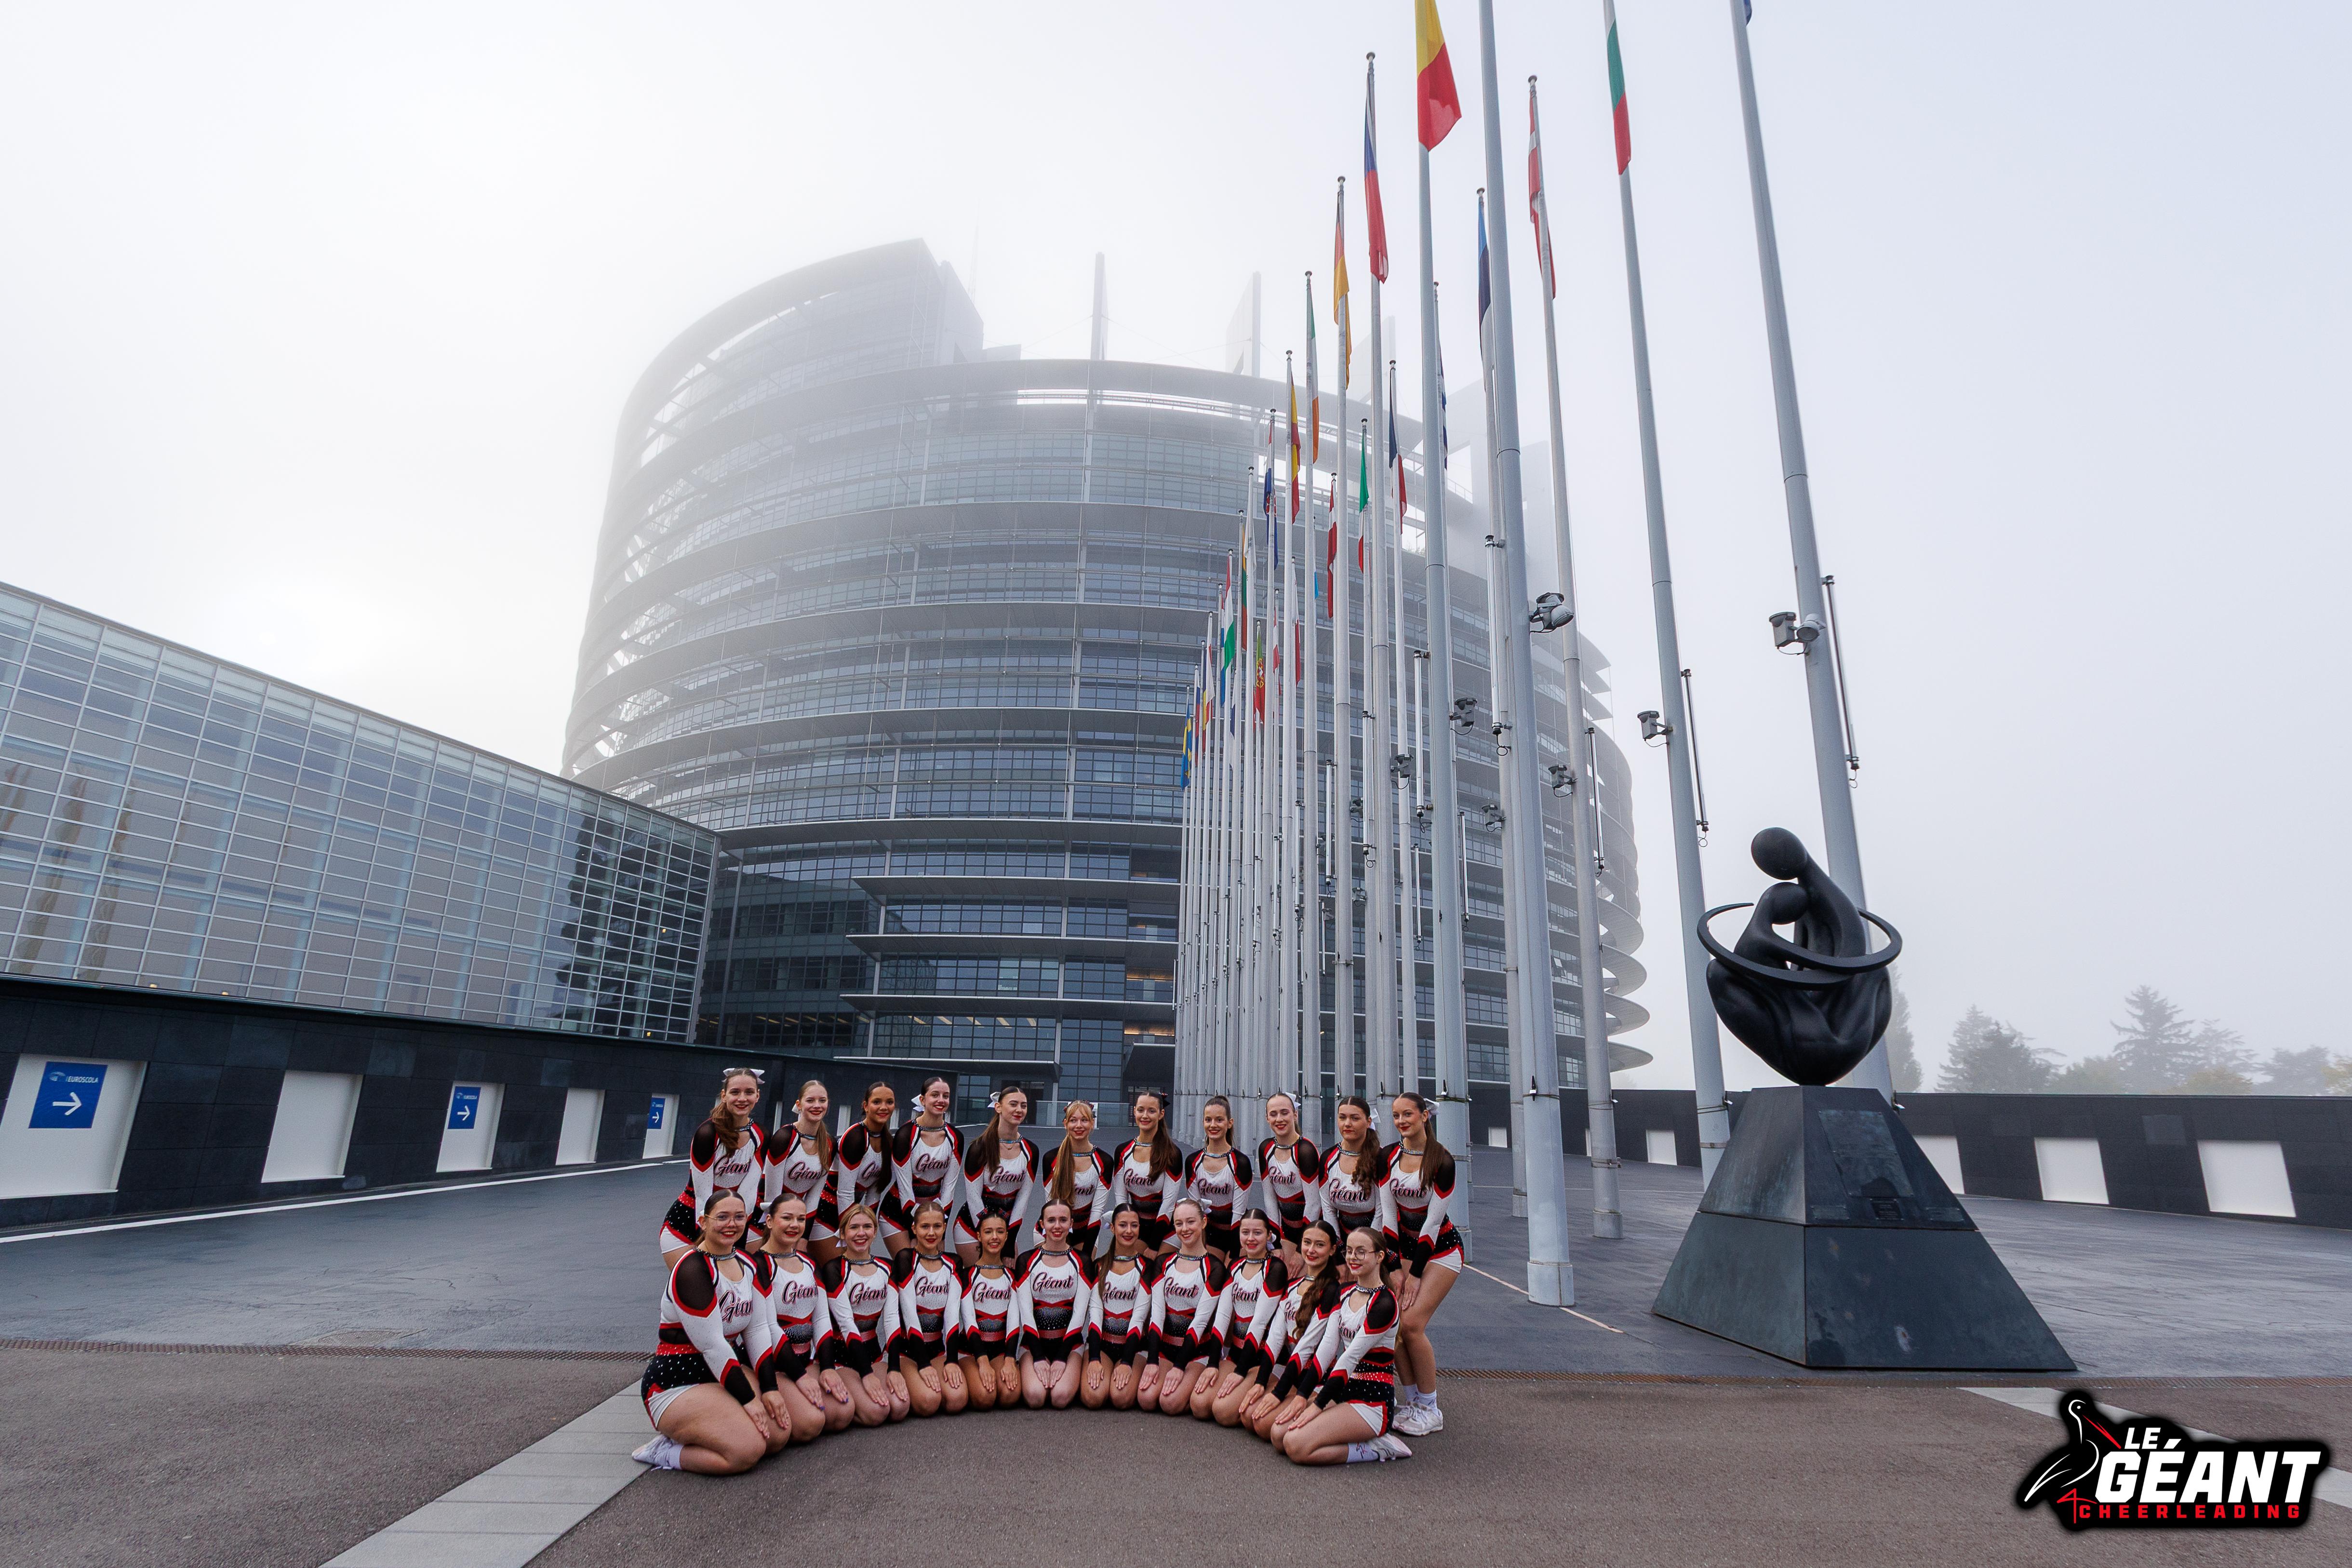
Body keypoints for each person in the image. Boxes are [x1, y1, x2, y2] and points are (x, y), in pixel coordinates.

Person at [631, 1192, 787, 1474]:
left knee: (777, 1436)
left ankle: (705, 1430)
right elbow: (713, 1345)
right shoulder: (691, 1268)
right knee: (746, 1450)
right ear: (703, 1222)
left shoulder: (747, 1263)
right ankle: (665, 1451)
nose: (731, 1224)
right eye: (722, 1217)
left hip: (719, 1374)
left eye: (739, 1217)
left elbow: (758, 1330)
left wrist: (770, 1389)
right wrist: (750, 1401)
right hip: (676, 1383)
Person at [1279, 1226, 1411, 1465]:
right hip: (1345, 1391)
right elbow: (1326, 1350)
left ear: (1379, 1257)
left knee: (1296, 1446)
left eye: (1361, 1252)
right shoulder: (1345, 1292)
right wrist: (1302, 1395)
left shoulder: (1384, 1303)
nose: (1353, 1257)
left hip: (1372, 1402)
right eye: (1350, 1251)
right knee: (1279, 1435)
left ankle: (1377, 1448)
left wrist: (1317, 1405)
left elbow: (1349, 1358)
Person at [1379, 1091, 1462, 1436]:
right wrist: (1395, 1268)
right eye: (1396, 1115)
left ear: (1425, 1116)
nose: (1401, 1121)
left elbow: (1432, 1224)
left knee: (1412, 1324)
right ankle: (1413, 1402)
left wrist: (1413, 1275)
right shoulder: (1387, 1156)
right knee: (1394, 1325)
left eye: (1408, 1114)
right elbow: (1388, 1217)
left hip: (1441, 1251)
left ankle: (1431, 1408)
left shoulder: (1442, 1161)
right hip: (1403, 1251)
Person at [748, 1194, 844, 1439]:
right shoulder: (758, 1264)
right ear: (770, 1221)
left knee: (841, 1414)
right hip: (775, 1365)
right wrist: (800, 1378)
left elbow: (821, 1319)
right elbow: (768, 1327)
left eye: (801, 1219)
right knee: (811, 1423)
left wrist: (828, 1367)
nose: (795, 1225)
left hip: (806, 1361)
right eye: (787, 1218)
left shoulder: (809, 1262)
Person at [659, 1068, 768, 1266]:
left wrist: (736, 1245)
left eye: (749, 1092)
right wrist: (707, 1246)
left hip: (732, 1222)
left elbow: (748, 1192)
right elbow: (703, 1196)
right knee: (699, 1279)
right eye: (735, 1092)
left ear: (757, 1096)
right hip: (690, 1220)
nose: (742, 1098)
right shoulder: (708, 1134)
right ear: (724, 1096)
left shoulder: (761, 1135)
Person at [1247, 1219, 1342, 1446]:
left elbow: (1308, 1346)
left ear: (1332, 1250)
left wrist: (1279, 1393)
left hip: (1317, 1379)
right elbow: (1275, 1338)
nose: (1311, 1250)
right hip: (1293, 1375)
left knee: (1272, 1431)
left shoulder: (1333, 1290)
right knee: (1251, 1418)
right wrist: (1261, 1381)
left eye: (1320, 1245)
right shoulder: (1292, 1286)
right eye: (1307, 1243)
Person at [819, 1204, 909, 1425]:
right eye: (854, 1228)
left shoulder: (887, 1267)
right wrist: (867, 1375)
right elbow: (847, 1324)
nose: (861, 1233)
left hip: (874, 1354)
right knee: (877, 1413)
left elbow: (891, 1320)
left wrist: (894, 1368)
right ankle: (848, 1403)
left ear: (875, 1231)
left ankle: (858, 1397)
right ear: (842, 1234)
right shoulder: (834, 1269)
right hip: (842, 1357)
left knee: (899, 1407)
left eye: (867, 1227)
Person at [1198, 1209, 1288, 1424]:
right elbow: (1222, 1317)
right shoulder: (1235, 1266)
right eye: (1245, 1232)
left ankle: (1262, 1390)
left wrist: (1240, 1373)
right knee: (1200, 1405)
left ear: (1269, 1236)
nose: (1250, 1239)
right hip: (1236, 1354)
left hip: (1263, 1357)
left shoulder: (1276, 1268)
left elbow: (1259, 1324)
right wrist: (1213, 1363)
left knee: (1222, 1412)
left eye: (1258, 1233)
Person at [1145, 1197, 1227, 1415]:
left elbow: (1201, 1321)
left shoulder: (1214, 1268)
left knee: (1170, 1403)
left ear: (1204, 1222)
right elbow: (1157, 1315)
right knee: (1146, 1399)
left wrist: (1180, 1367)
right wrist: (1152, 1360)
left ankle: (1196, 1390)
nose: (1185, 1229)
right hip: (1166, 1348)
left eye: (1191, 1222)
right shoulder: (1163, 1263)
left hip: (1197, 1352)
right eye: (1179, 1223)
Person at [889, 1201, 968, 1417]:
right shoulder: (906, 1258)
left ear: (944, 1227)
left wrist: (952, 1360)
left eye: (937, 1226)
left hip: (937, 1350)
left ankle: (926, 1384)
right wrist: (923, 1364)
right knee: (928, 1402)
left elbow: (952, 1316)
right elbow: (909, 1315)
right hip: (908, 1351)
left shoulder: (953, 1263)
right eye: (925, 1227)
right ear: (914, 1229)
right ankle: (914, 1384)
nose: (931, 1233)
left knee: (957, 1400)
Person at [1012, 1197, 1092, 1409]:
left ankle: (1075, 1371)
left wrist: (1062, 1358)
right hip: (1034, 1344)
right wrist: (1038, 1357)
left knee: (1060, 1398)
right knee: (1035, 1397)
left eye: (1063, 1220)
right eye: (1051, 1220)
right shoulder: (1026, 1261)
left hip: (1070, 1345)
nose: (1057, 1226)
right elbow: (1026, 1313)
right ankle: (1028, 1365)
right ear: (1042, 1224)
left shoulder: (1082, 1261)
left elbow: (1080, 1315)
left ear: (1071, 1224)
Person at [1080, 1205, 1154, 1410]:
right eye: (1123, 1225)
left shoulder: (1147, 1267)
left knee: (1121, 1398)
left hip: (1135, 1347)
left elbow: (1139, 1319)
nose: (1129, 1231)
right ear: (1112, 1228)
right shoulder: (1099, 1266)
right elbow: (1095, 1316)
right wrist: (1094, 1359)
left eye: (1134, 1226)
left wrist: (1127, 1362)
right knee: (1093, 1397)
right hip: (1102, 1346)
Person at [957, 1084, 1037, 1265]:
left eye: (1023, 1106)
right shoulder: (980, 1148)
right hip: (972, 1226)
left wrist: (1009, 1240)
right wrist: (986, 1231)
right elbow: (973, 1197)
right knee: (979, 1278)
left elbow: (1023, 1200)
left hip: (1006, 1229)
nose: (1019, 1110)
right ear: (998, 1107)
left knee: (1009, 1279)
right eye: (1013, 1104)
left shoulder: (1030, 1150)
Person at [885, 1076, 963, 1253]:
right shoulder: (906, 1135)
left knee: (934, 1264)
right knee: (909, 1263)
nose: (941, 1100)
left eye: (946, 1096)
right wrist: (914, 1233)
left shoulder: (955, 1137)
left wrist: (941, 1228)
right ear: (923, 1100)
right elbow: (905, 1188)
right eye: (935, 1095)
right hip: (899, 1212)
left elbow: (949, 1189)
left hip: (934, 1214)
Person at [758, 1080, 834, 1255]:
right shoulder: (785, 1137)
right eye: (810, 1101)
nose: (817, 1106)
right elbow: (772, 1196)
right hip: (764, 1215)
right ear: (799, 1105)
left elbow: (813, 1198)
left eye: (822, 1101)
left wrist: (804, 1239)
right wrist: (775, 1234)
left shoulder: (829, 1144)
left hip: (796, 1218)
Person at [955, 1211, 1020, 1412]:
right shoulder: (967, 1275)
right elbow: (969, 1321)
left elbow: (1014, 1322)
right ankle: (969, 1379)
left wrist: (1010, 1359)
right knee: (985, 1397)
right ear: (979, 1236)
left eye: (1000, 1232)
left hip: (999, 1350)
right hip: (970, 1350)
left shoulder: (1012, 1277)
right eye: (988, 1232)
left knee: (1009, 1396)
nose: (994, 1237)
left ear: (1007, 1236)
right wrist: (982, 1362)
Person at [832, 1082, 902, 1261]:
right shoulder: (855, 1137)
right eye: (877, 1102)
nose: (884, 1107)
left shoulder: (889, 1142)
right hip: (829, 1211)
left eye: (889, 1102)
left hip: (852, 1214)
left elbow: (875, 1191)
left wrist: (868, 1227)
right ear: (866, 1106)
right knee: (841, 1268)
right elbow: (845, 1192)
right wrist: (850, 1231)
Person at [1109, 1089, 1185, 1254]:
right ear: (1134, 1111)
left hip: (1167, 1228)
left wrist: (1154, 1247)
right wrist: (1125, 1229)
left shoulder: (1172, 1153)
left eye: (1151, 1111)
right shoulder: (1123, 1151)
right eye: (1141, 1110)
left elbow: (1169, 1204)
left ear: (1161, 1114)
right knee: (1129, 1264)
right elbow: (1121, 1199)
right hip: (1136, 1226)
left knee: (1158, 1265)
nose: (1145, 1116)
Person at [1256, 1091, 1325, 1270]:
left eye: (1284, 1113)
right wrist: (1275, 1242)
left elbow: (1314, 1204)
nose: (1279, 1119)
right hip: (1286, 1230)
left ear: (1295, 1115)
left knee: (1300, 1277)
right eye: (1273, 1114)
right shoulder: (1266, 1149)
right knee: (1277, 1271)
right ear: (1267, 1119)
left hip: (1311, 1230)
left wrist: (1302, 1250)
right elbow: (1270, 1199)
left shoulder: (1305, 1151)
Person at [1183, 1096, 1255, 1261]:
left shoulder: (1241, 1163)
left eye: (1219, 1120)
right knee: (1209, 1271)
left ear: (1230, 1123)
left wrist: (1234, 1254)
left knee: (1230, 1272)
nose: (1213, 1125)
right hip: (1209, 1234)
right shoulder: (1193, 1162)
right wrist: (1198, 1248)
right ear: (1203, 1122)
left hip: (1237, 1233)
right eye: (1208, 1120)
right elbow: (1197, 1210)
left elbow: (1238, 1214)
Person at [1042, 1099, 1113, 1259]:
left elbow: (1097, 1211)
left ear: (1092, 1123)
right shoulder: (1051, 1158)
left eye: (1084, 1120)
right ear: (1065, 1124)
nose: (1079, 1126)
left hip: (1086, 1231)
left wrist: (1086, 1256)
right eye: (1073, 1120)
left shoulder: (1105, 1161)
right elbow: (1051, 1204)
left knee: (1082, 1268)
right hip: (1054, 1225)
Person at [1320, 1094, 1384, 1245]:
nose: (1348, 1124)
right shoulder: (1328, 1158)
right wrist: (1337, 1246)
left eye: (1355, 1118)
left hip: (1374, 1238)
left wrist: (1368, 1245)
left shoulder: (1380, 1158)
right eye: (1342, 1118)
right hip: (1339, 1237)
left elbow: (1382, 1210)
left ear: (1368, 1122)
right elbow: (1328, 1208)